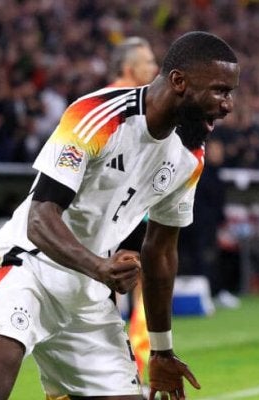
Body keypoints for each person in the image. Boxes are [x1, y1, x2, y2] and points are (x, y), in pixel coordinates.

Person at [0, 31, 239, 400]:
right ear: (179, 81)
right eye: (220, 91)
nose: (228, 105)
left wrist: (161, 350)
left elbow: (160, 252)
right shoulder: (97, 115)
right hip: (26, 267)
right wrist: (99, 267)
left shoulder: (190, 157)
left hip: (90, 293)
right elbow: (40, 217)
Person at [106, 35, 162, 382]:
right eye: (148, 62)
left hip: (132, 212)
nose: (155, 67)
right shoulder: (116, 105)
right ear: (129, 68)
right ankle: (123, 370)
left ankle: (131, 369)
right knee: (119, 285)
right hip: (112, 216)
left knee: (134, 284)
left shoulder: (143, 104)